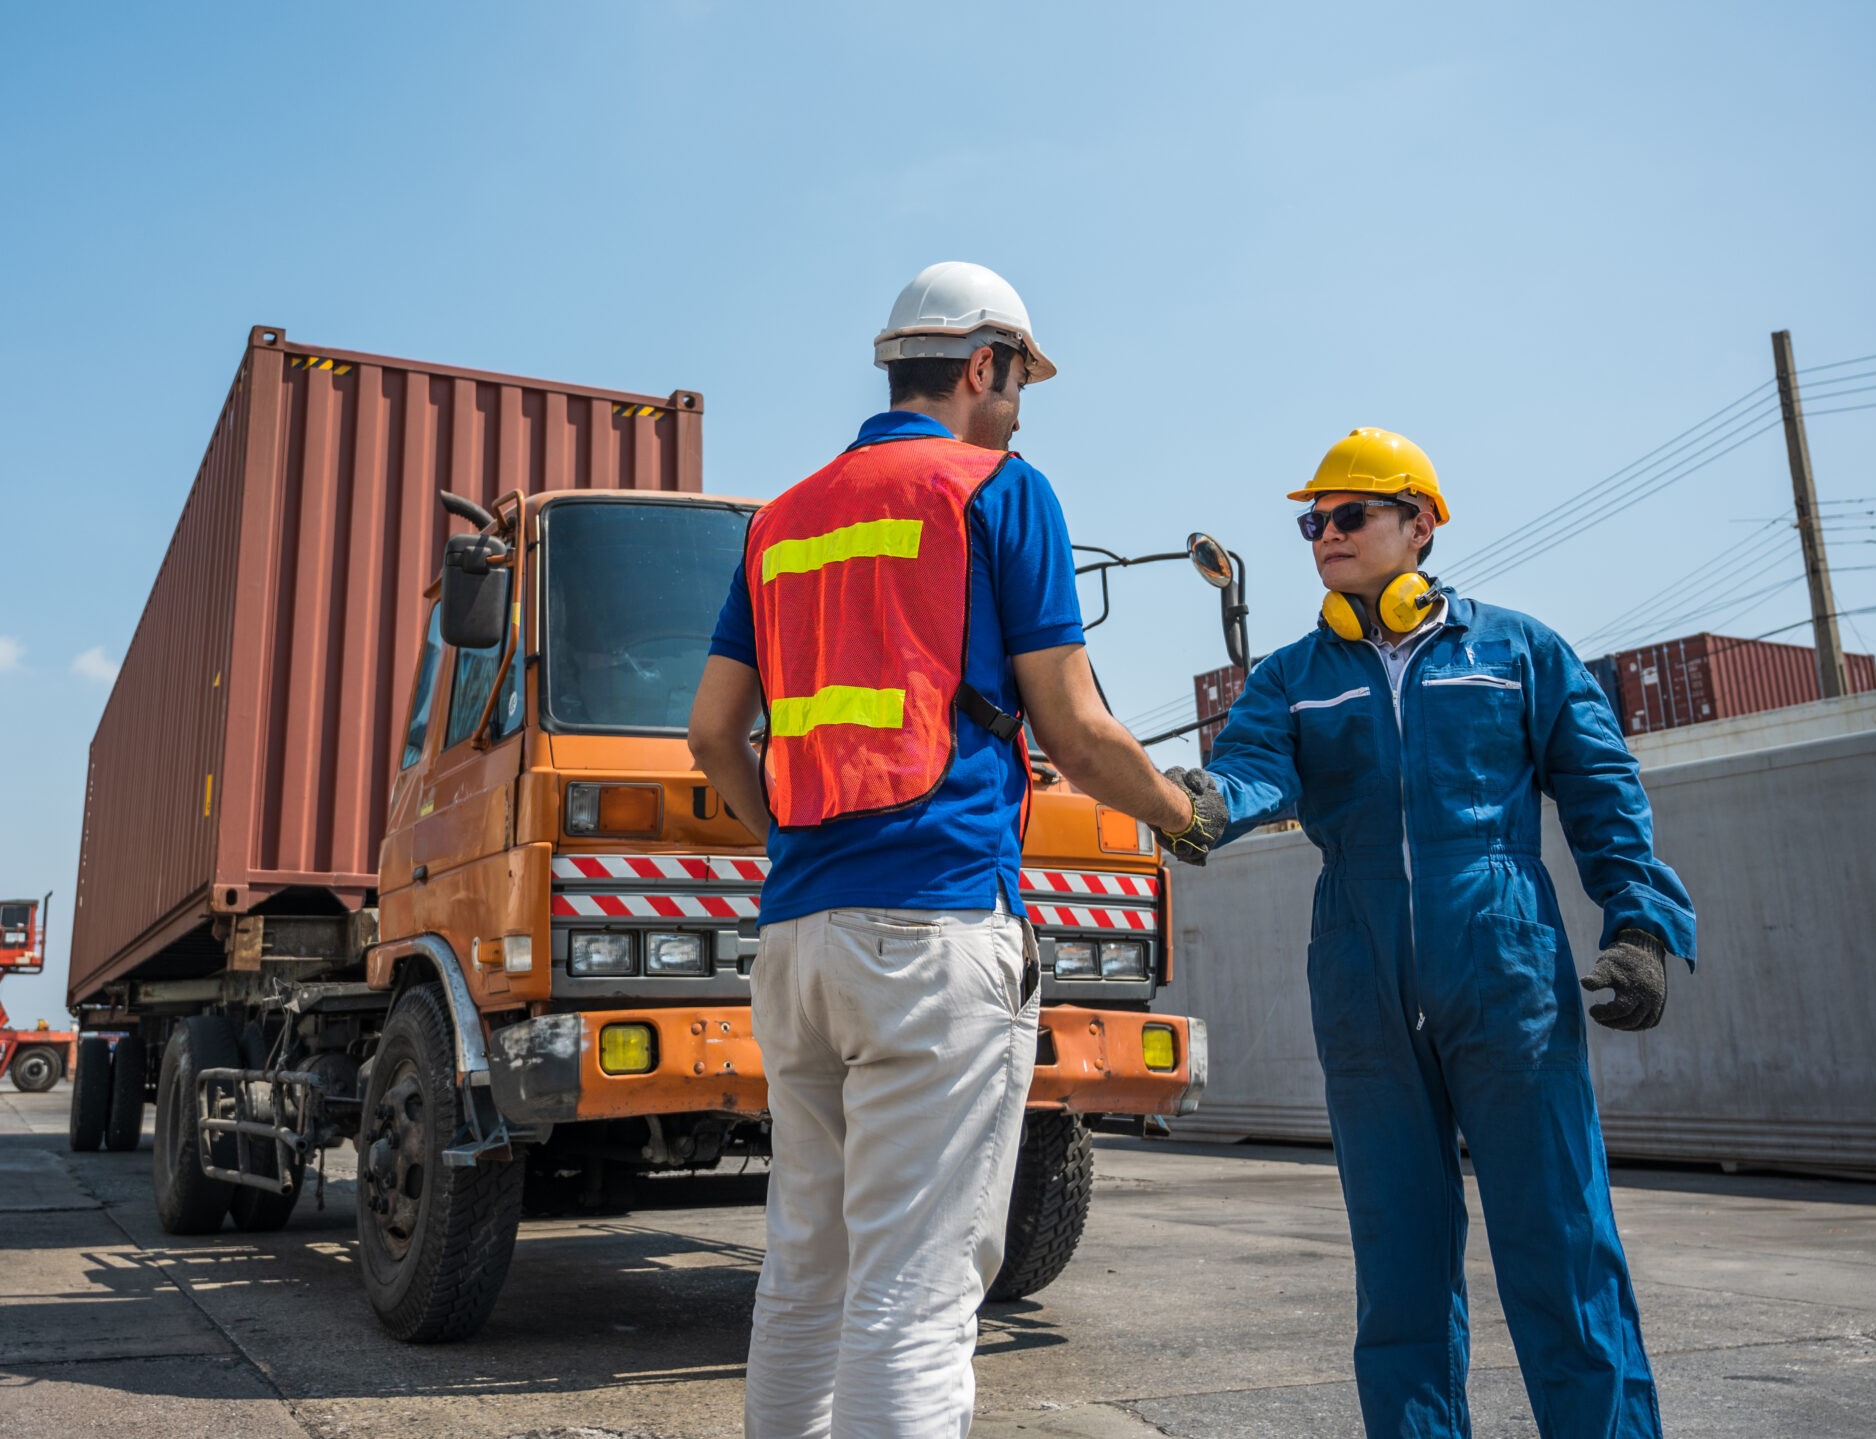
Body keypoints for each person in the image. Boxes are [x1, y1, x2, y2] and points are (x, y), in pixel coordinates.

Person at [687, 261, 1222, 1439]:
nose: (1023, 404)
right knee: (915, 1296)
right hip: (931, 932)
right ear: (981, 364)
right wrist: (1186, 815)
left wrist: (793, 840)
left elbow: (712, 733)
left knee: (805, 1268)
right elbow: (1075, 727)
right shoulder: (999, 490)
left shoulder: (779, 518)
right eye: (1020, 378)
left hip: (797, 936)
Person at [1166, 428, 1696, 1439]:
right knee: (1397, 1256)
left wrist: (1639, 922)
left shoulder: (1517, 652)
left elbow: (1600, 789)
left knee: (1560, 1240)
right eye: (1310, 520)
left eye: (1347, 514)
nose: (1323, 533)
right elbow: (1250, 772)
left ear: (1419, 523)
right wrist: (1201, 802)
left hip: (1502, 967)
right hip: (1362, 970)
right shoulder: (1290, 676)